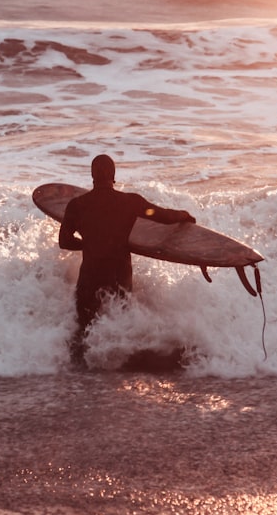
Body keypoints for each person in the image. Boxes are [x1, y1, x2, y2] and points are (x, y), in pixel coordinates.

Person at [59, 154, 195, 365]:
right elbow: (162, 215)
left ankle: (80, 376)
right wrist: (184, 215)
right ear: (114, 175)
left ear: (92, 175)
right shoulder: (130, 202)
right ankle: (124, 365)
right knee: (122, 324)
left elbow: (65, 242)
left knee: (83, 329)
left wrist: (89, 244)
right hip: (118, 275)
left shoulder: (77, 205)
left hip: (90, 276)